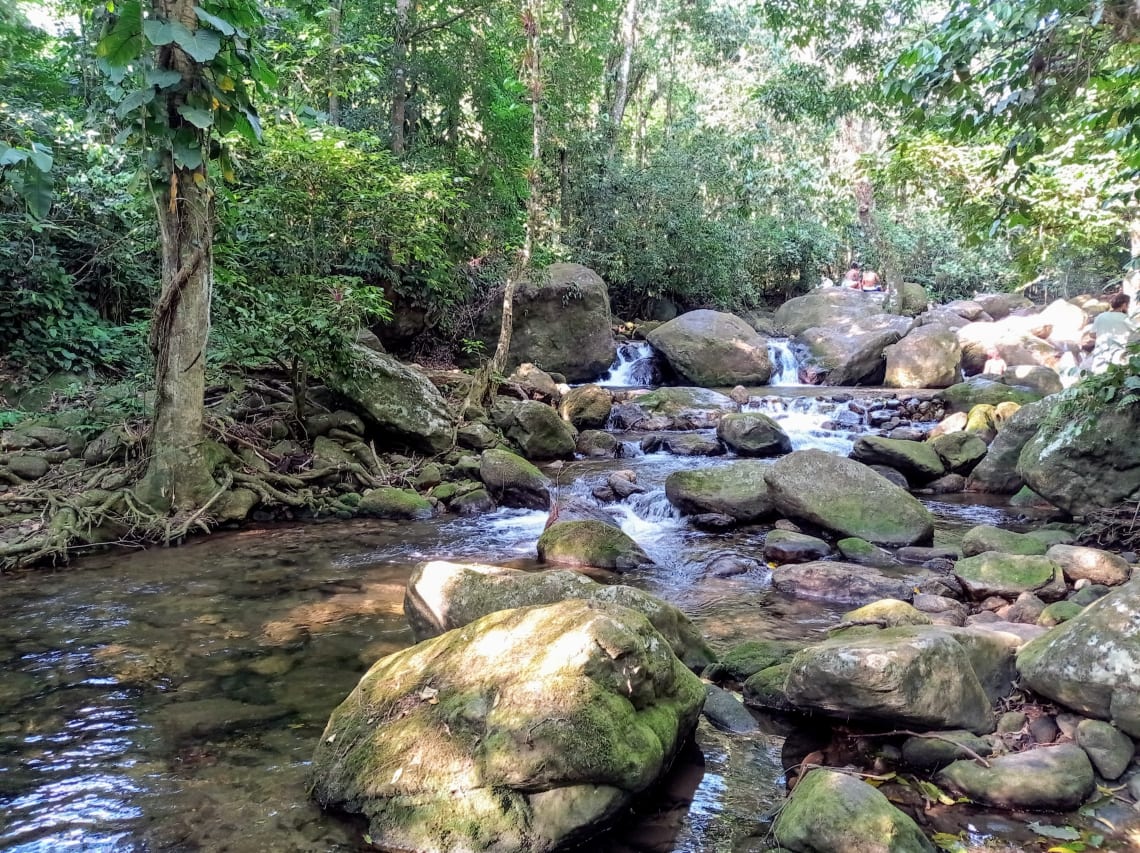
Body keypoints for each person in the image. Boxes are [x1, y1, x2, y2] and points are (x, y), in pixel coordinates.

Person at [1091, 292, 1138, 373]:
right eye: (1128, 305)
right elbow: (1137, 332)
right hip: (1118, 354)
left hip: (1100, 354)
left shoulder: (1100, 316)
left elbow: (1091, 334)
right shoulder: (1125, 318)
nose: (1128, 308)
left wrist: (1103, 336)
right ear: (1124, 305)